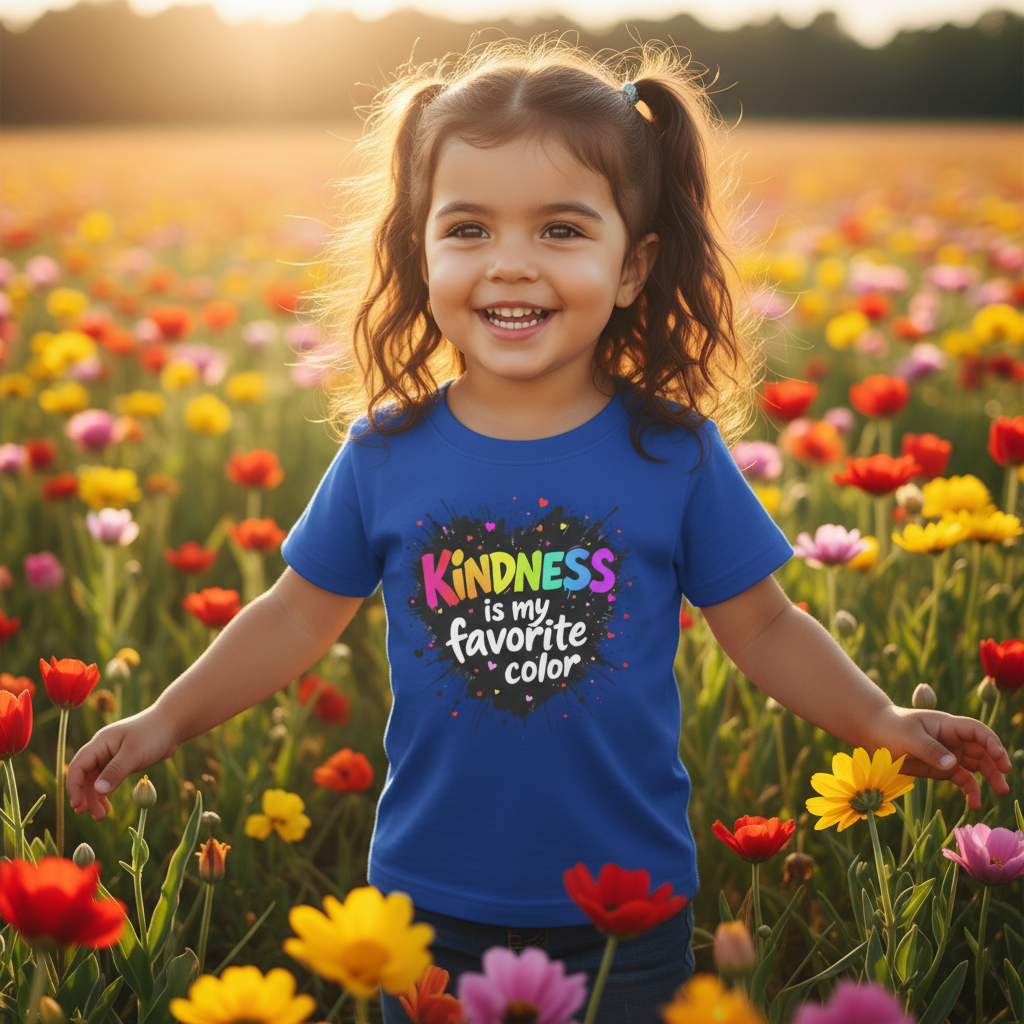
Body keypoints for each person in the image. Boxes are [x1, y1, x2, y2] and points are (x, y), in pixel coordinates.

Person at [68, 39, 1011, 1022]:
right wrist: (163, 721)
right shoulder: (385, 452)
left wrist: (883, 725)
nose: (509, 263)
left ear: (634, 265)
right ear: (421, 252)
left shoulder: (670, 450)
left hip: (626, 906)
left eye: (561, 229)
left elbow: (766, 628)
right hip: (426, 903)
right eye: (467, 228)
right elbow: (295, 617)